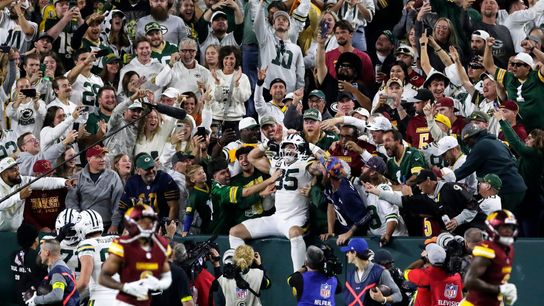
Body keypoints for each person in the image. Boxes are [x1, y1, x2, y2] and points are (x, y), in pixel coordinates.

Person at [232, 134, 321, 271]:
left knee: (295, 233)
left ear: (301, 148)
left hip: (296, 218)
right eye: (285, 146)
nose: (287, 150)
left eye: (292, 147)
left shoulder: (306, 163)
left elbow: (328, 164)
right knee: (235, 231)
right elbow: (251, 157)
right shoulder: (276, 163)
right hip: (277, 218)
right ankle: (241, 270)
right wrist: (267, 144)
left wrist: (312, 147)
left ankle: (299, 275)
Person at [99, 204, 173, 306]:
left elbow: (168, 277)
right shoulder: (122, 245)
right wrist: (125, 287)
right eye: (144, 222)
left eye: (151, 222)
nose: (149, 225)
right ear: (131, 223)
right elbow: (103, 277)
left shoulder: (162, 245)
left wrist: (160, 284)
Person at [455, 123, 527, 211]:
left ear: (473, 137)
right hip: (518, 186)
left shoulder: (481, 146)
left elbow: (465, 169)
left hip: (506, 190)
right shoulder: (498, 142)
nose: (467, 145)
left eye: (467, 141)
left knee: (499, 221)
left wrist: (446, 178)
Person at [0, 157, 72, 232]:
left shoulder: (23, 181)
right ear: (4, 173)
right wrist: (19, 196)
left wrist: (64, 182)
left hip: (16, 229)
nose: (18, 172)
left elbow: (45, 182)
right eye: (14, 171)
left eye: (18, 169)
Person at [463, 210, 518, 306]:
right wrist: (499, 289)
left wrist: (505, 293)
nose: (509, 230)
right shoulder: (487, 249)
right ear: (493, 228)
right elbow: (470, 281)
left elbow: (495, 278)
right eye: (504, 227)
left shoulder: (509, 249)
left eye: (511, 227)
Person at [66, 145, 124, 234]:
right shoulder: (78, 177)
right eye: (98, 157)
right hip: (84, 226)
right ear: (89, 159)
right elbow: (71, 202)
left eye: (104, 156)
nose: (103, 159)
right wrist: (78, 222)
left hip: (108, 226)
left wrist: (114, 225)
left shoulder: (113, 176)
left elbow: (118, 202)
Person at [254, 2, 305, 93]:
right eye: (278, 19)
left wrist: (299, 95)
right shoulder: (266, 40)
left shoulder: (296, 49)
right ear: (273, 24)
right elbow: (258, 24)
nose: (281, 21)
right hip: (267, 89)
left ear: (289, 26)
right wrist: (261, 4)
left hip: (288, 93)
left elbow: (300, 75)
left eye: (284, 20)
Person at [119, 152, 180, 221]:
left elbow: (174, 206)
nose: (151, 171)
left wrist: (169, 225)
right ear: (138, 171)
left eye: (152, 167)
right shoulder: (132, 183)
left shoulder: (164, 178)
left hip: (161, 224)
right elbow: (122, 207)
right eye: (147, 169)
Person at [74, 209, 118, 303]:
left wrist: (65, 296)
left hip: (101, 298)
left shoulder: (86, 244)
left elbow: (83, 283)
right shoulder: (118, 239)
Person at [321, 158, 368, 245]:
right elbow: (331, 205)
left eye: (323, 169)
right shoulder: (330, 185)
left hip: (357, 237)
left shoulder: (346, 194)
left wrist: (349, 233)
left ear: (328, 175)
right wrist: (330, 231)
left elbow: (364, 217)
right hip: (342, 229)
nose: (320, 170)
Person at [342, 238, 402, 305]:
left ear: (354, 253)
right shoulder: (351, 274)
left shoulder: (381, 272)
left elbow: (398, 296)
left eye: (348, 252)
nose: (347, 254)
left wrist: (384, 299)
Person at [22, 239, 80, 306]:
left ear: (47, 252)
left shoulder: (58, 271)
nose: (40, 254)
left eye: (41, 251)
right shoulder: (56, 266)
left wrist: (35, 300)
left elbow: (57, 295)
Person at [11, 223, 47, 305]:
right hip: (34, 300)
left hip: (18, 298)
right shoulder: (36, 257)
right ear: (35, 239)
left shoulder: (13, 255)